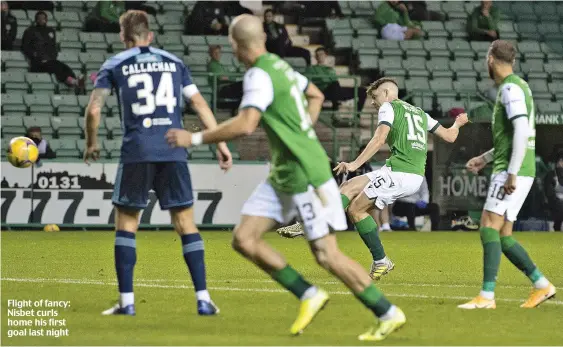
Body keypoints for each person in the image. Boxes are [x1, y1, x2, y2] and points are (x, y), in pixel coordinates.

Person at [166, 14, 407, 342]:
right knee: (245, 238)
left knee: (326, 255)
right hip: (288, 172)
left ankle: (385, 312)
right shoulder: (280, 66)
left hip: (303, 175)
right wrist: (302, 131)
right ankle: (312, 295)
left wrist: (192, 139)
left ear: (235, 45)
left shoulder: (259, 75)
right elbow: (317, 95)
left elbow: (245, 124)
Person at [83, 10, 233, 317]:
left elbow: (94, 110)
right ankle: (203, 300)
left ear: (123, 38)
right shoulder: (174, 63)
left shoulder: (115, 64)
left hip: (137, 150)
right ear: (150, 35)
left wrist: (91, 143)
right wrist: (220, 142)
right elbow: (199, 103)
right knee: (186, 224)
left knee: (127, 224)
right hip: (173, 149)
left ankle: (127, 303)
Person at [277, 78, 468, 279]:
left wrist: (354, 164)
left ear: (386, 93)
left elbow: (379, 139)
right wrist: (458, 123)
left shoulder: (388, 107)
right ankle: (315, 226)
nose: (372, 103)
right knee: (348, 187)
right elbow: (449, 136)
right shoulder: (420, 113)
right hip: (401, 172)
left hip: (401, 174)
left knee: (355, 209)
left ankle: (375, 258)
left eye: (375, 97)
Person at [459, 40, 555, 309]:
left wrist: (510, 172)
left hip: (513, 170)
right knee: (503, 235)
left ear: (490, 59)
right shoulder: (520, 86)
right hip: (519, 167)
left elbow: (522, 131)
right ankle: (542, 285)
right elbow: (513, 136)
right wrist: (484, 158)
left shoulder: (510, 89)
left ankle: (486, 297)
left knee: (488, 226)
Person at [21, 11, 85, 93]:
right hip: (37, 63)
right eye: (39, 18)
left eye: (43, 18)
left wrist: (51, 57)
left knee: (64, 66)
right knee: (56, 66)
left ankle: (74, 81)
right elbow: (25, 47)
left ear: (46, 20)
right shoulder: (30, 31)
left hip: (50, 60)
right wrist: (35, 56)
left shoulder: (50, 31)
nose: (41, 20)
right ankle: (73, 82)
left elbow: (53, 47)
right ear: (36, 20)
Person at [305, 47, 367, 112]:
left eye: (321, 54)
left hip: (336, 90)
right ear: (315, 57)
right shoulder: (311, 69)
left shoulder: (330, 69)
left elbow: (336, 82)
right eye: (317, 55)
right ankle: (335, 104)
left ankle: (357, 114)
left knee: (362, 91)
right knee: (334, 85)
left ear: (325, 55)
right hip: (323, 91)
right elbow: (309, 82)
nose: (320, 56)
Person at [545, 151, 563, 232]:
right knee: (559, 207)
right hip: (555, 203)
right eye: (561, 161)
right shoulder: (551, 175)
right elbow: (549, 193)